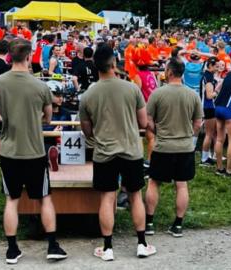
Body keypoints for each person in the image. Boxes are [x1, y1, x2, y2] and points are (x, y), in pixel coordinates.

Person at [0, 38, 67, 264]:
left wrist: (4, 119)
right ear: (29, 55)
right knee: (44, 198)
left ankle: (12, 250)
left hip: (9, 150)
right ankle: (52, 245)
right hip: (34, 150)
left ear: (10, 55)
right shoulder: (40, 86)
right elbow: (49, 117)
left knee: (11, 200)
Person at [79, 44, 156, 261]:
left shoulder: (88, 94)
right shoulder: (131, 89)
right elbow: (143, 122)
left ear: (95, 66)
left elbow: (86, 129)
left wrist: (96, 137)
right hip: (131, 150)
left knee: (107, 197)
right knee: (135, 196)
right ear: (114, 63)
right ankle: (141, 243)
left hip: (104, 151)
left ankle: (108, 247)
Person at [145, 57, 203, 238]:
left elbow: (147, 120)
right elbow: (198, 123)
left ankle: (149, 223)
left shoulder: (158, 94)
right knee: (182, 185)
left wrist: (157, 131)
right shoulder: (192, 95)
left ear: (169, 72)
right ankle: (178, 224)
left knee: (154, 182)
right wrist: (189, 135)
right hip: (185, 146)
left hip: (163, 146)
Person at [199, 57, 220, 166]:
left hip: (210, 107)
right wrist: (218, 90)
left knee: (213, 133)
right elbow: (209, 95)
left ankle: (210, 156)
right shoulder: (208, 77)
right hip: (209, 107)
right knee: (209, 134)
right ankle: (204, 159)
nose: (217, 68)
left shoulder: (208, 75)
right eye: (216, 66)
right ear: (210, 65)